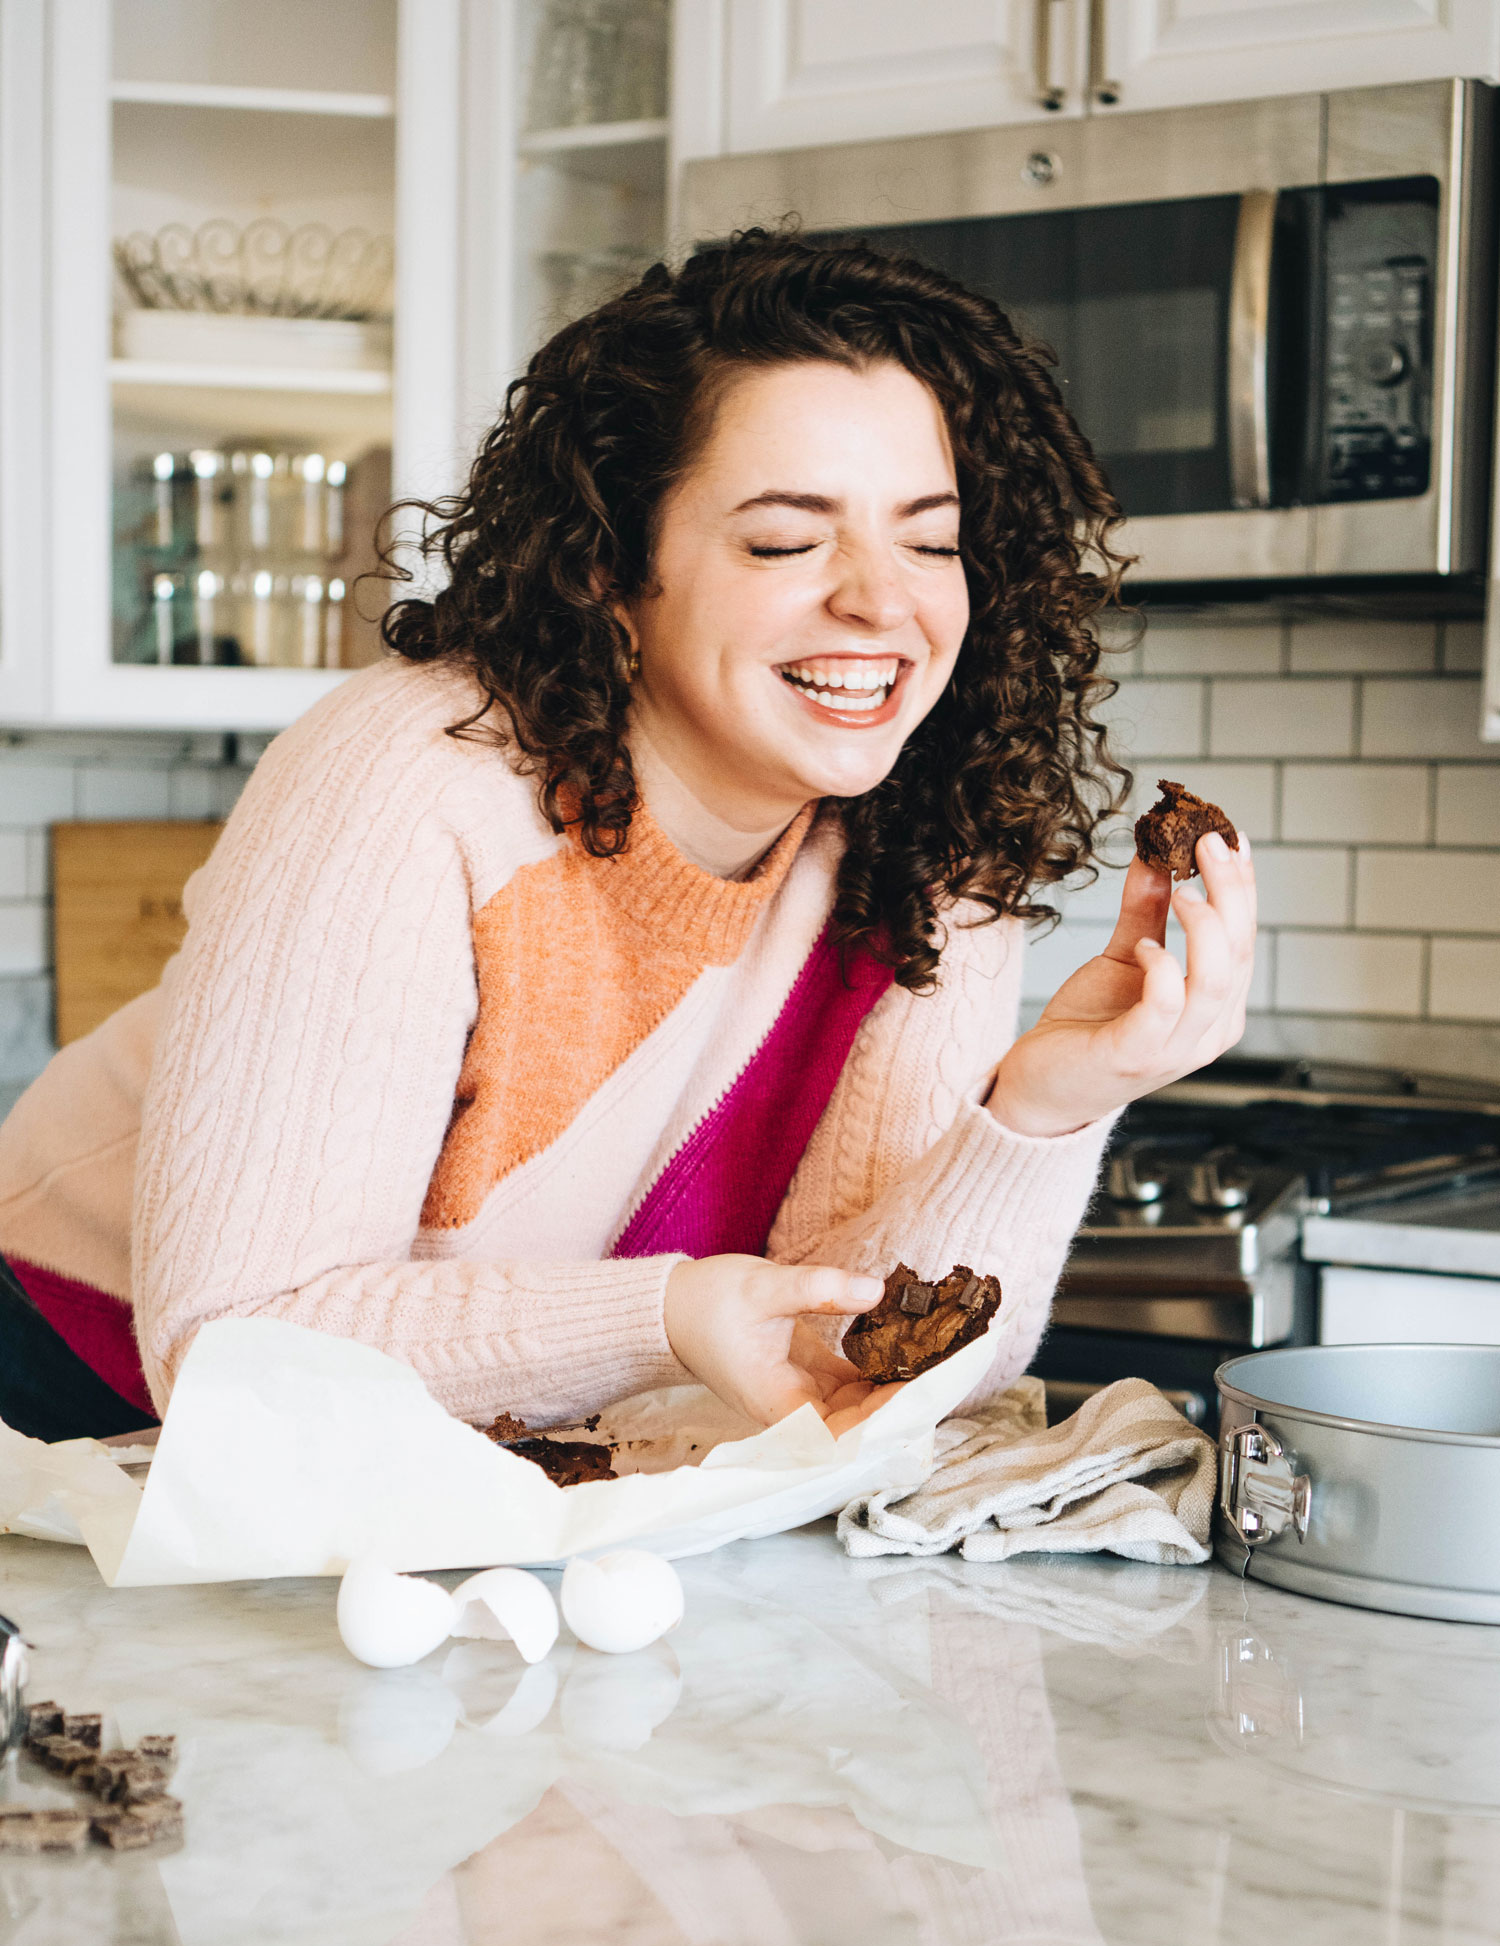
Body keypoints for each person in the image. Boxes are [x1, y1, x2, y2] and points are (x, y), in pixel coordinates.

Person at [0, 229, 1256, 1444]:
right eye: (785, 539)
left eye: (930, 539)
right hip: (74, 1403)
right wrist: (664, 1316)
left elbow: (856, 1366)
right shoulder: (411, 780)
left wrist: (1045, 1107)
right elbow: (238, 1347)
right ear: (612, 567)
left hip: (470, 1454)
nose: (884, 599)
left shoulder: (933, 846)